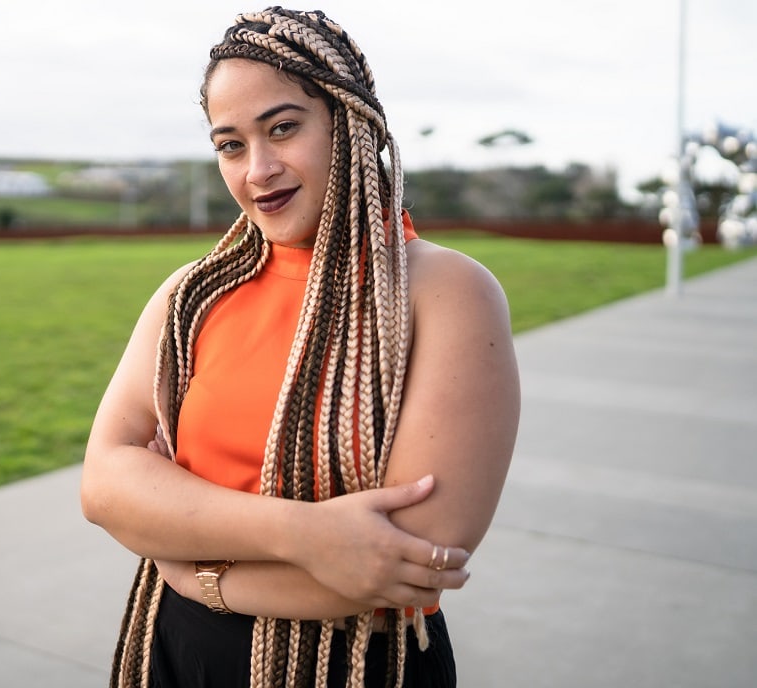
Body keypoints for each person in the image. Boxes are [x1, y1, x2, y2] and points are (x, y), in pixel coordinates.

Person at [81, 7, 520, 688]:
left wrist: (187, 561)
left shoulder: (447, 293)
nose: (258, 170)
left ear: (349, 124)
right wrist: (306, 537)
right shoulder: (191, 294)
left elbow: (410, 562)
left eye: (282, 128)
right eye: (230, 144)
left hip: (357, 668)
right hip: (174, 651)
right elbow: (105, 482)